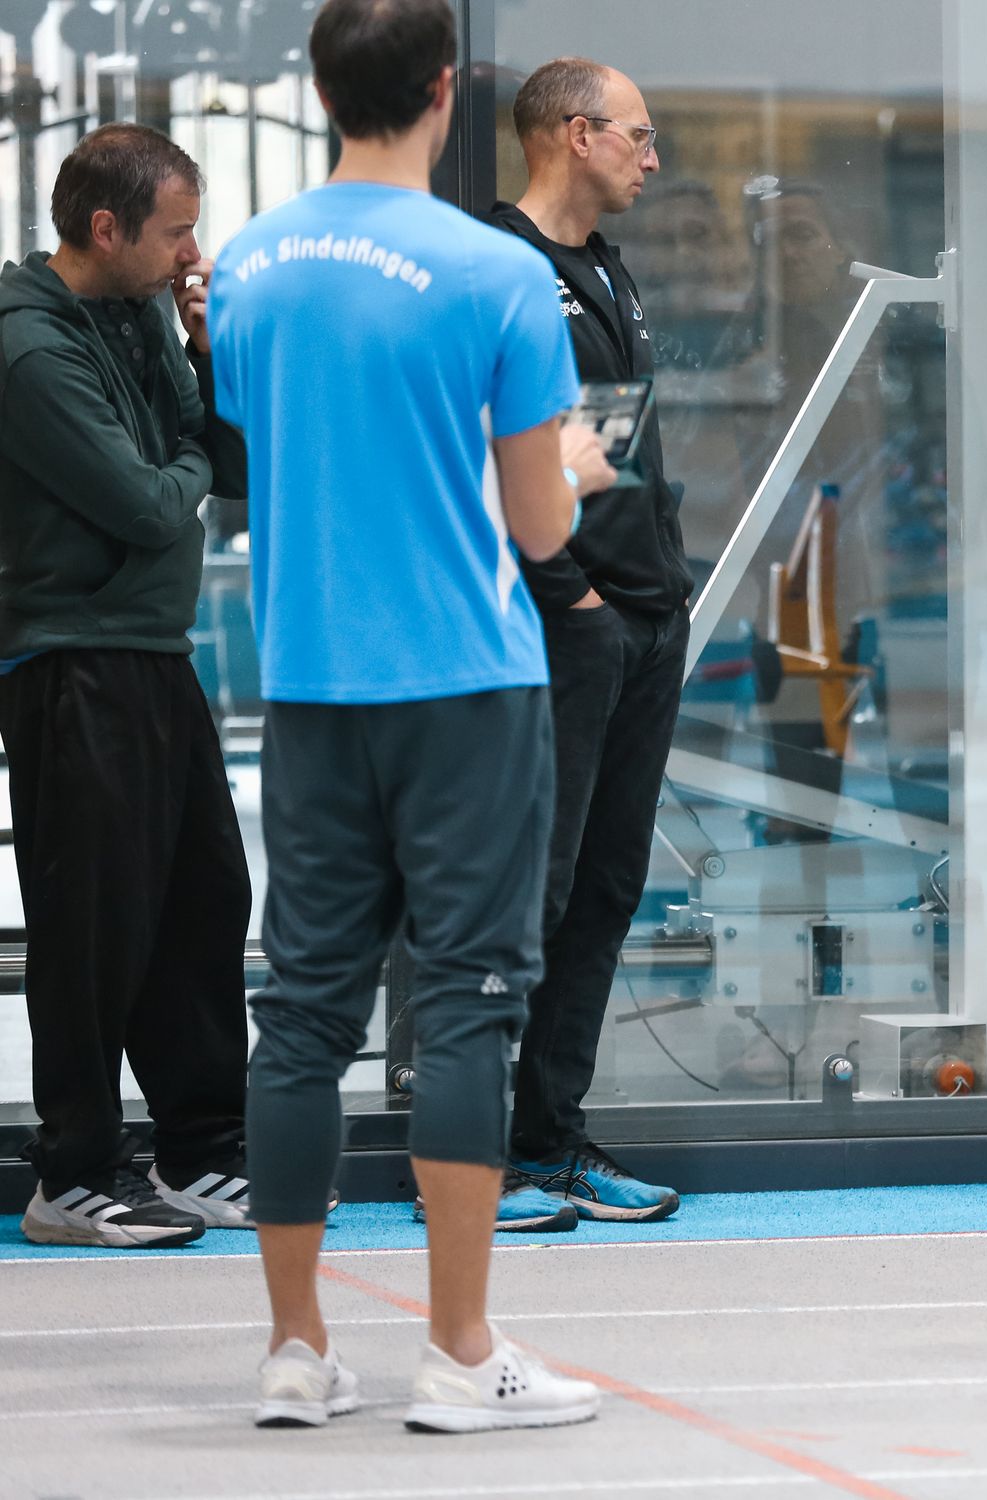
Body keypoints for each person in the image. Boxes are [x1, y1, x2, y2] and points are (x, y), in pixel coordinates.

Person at [210, 0, 614, 1431]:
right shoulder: (495, 272)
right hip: (464, 683)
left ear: (323, 90)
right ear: (446, 89)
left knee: (301, 1013)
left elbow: (271, 444)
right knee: (467, 1007)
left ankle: (295, 1348)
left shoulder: (250, 263)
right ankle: (458, 1351)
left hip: (311, 681)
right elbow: (537, 521)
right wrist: (571, 463)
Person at [0, 125, 254, 1248]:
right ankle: (72, 1175)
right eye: (176, 232)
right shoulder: (26, 346)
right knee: (92, 926)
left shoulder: (145, 310)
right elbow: (150, 504)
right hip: (70, 656)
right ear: (105, 229)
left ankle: (201, 1152)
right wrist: (184, 466)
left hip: (155, 648)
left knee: (204, 903)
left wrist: (205, 352)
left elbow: (225, 465)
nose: (193, 253)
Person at [483, 56, 689, 1229]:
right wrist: (573, 599)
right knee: (533, 894)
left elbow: (611, 447)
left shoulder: (606, 268)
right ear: (576, 133)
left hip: (641, 618)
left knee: (606, 889)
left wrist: (661, 590)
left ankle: (548, 1142)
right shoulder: (499, 267)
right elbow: (487, 458)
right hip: (564, 624)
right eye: (638, 135)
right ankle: (477, 1159)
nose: (653, 159)